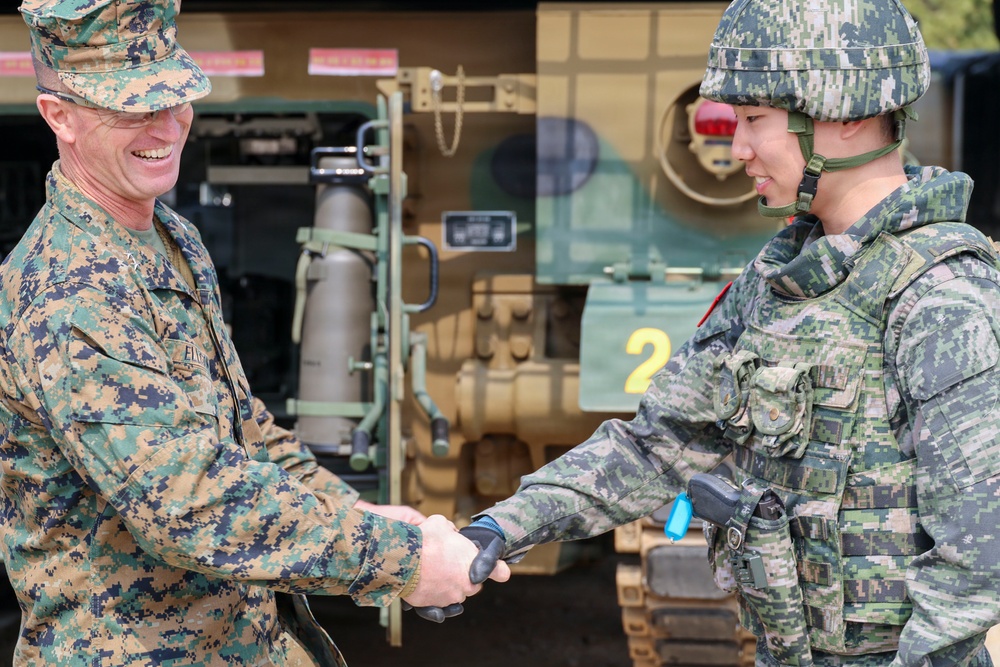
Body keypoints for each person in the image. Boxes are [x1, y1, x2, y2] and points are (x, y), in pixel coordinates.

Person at [438, 0, 1000, 664]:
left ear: (845, 114)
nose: (736, 149)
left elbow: (975, 556)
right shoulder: (776, 281)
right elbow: (657, 447)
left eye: (755, 120)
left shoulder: (942, 295)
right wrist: (499, 526)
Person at [0, 1, 508, 665]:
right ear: (58, 115)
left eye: (176, 97)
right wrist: (401, 560)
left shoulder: (164, 235)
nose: (166, 125)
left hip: (240, 639)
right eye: (132, 106)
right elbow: (190, 503)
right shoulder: (71, 294)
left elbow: (244, 429)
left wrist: (363, 515)